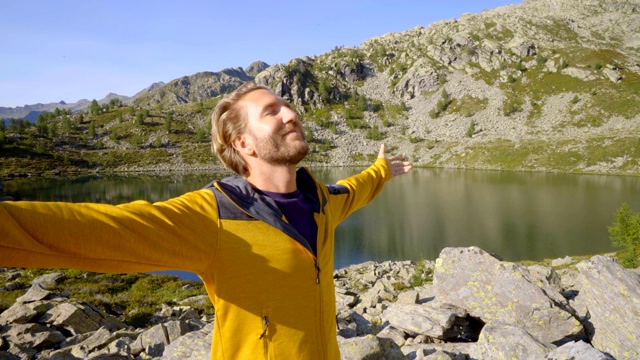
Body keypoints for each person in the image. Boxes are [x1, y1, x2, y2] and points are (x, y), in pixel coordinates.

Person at [0, 82, 412, 359]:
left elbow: (354, 188)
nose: (290, 114)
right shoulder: (214, 214)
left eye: (287, 106)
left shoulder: (320, 200)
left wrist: (382, 170)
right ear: (243, 143)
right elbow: (100, 229)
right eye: (272, 112)